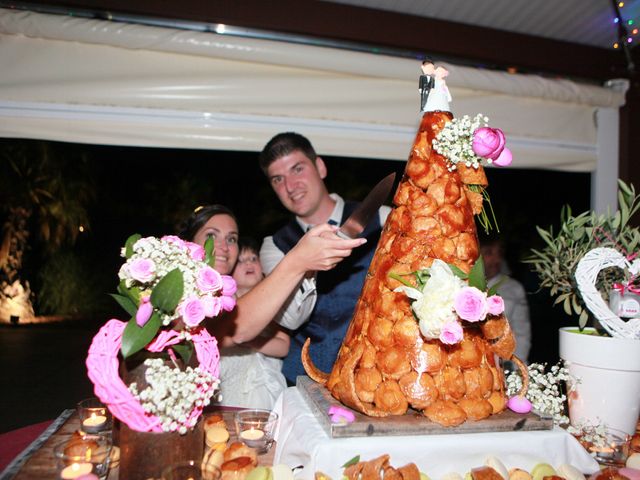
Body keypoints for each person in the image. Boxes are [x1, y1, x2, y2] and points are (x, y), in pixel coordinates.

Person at [178, 204, 364, 405]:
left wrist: (307, 268)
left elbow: (283, 332)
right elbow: (233, 330)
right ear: (189, 242)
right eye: (212, 235)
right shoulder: (176, 294)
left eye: (232, 238)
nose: (223, 246)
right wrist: (298, 259)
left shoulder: (250, 294)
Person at [258, 132, 391, 384]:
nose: (290, 186)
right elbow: (291, 318)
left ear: (320, 167)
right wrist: (306, 261)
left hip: (377, 374)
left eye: (298, 169)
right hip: (305, 380)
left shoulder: (382, 218)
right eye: (278, 179)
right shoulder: (274, 245)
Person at [479, 235, 531, 363]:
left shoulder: (513, 287)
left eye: (499, 253)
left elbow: (522, 332)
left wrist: (517, 367)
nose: (496, 259)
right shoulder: (461, 286)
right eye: (489, 253)